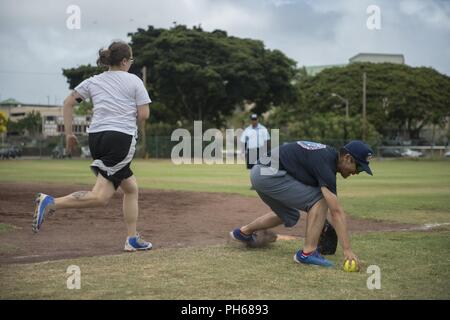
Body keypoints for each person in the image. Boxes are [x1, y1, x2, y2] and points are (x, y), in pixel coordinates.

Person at [32, 41, 153, 252]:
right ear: (124, 61)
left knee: (131, 188)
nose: (130, 64)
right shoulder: (134, 81)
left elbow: (68, 102)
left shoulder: (94, 81)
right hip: (120, 138)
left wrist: (69, 133)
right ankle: (50, 202)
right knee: (101, 196)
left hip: (96, 137)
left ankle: (132, 239)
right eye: (130, 60)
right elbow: (144, 115)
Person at [230, 140, 374, 267]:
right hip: (269, 173)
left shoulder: (326, 156)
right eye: (359, 167)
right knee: (320, 198)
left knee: (289, 215)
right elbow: (335, 211)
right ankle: (308, 253)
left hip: (261, 172)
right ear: (347, 158)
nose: (357, 172)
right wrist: (347, 249)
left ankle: (243, 232)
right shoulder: (326, 161)